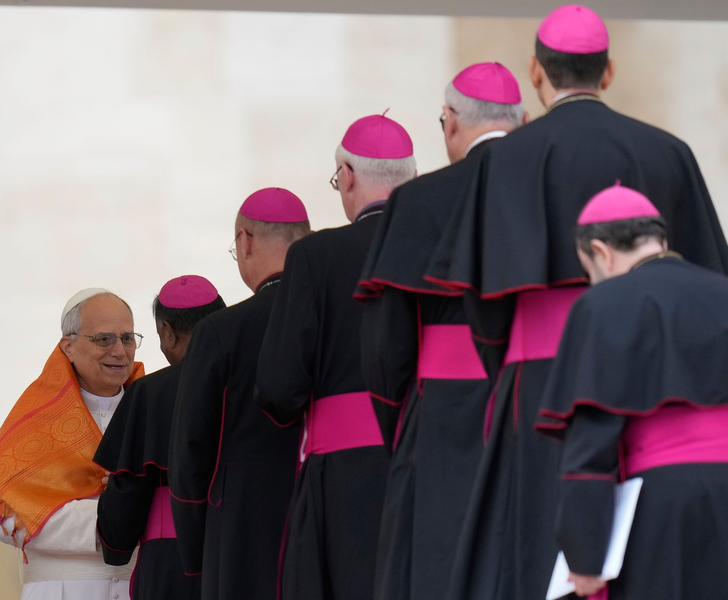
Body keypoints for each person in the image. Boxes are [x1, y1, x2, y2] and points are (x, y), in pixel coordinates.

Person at [423, 6, 728, 600]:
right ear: (609, 71)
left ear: (536, 73)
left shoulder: (505, 159)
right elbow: (702, 283)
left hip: (539, 380)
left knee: (541, 537)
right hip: (652, 376)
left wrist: (507, 369)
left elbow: (482, 302)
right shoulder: (669, 150)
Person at [536, 184, 728, 599]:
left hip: (672, 504)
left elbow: (591, 442)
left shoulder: (603, 304)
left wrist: (585, 555)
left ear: (601, 252)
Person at [354, 63, 526, 600]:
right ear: (520, 120)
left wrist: (401, 423)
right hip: (539, 403)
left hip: (444, 416)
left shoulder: (418, 200)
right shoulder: (555, 189)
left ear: (450, 121)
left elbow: (387, 347)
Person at [255, 113, 415, 600]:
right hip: (433, 461)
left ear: (346, 176)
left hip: (345, 474)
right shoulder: (446, 243)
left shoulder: (316, 256)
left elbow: (280, 386)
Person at [168, 188, 309, 600]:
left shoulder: (221, 331)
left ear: (245, 241)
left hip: (242, 527)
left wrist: (197, 553)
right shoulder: (341, 311)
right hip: (333, 510)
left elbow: (190, 453)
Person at [0, 289, 145, 600]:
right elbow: (9, 515)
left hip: (142, 586)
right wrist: (111, 521)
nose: (120, 351)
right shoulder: (37, 420)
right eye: (104, 339)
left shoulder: (155, 411)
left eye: (127, 338)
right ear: (68, 346)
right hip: (61, 590)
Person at [93, 276, 225, 600]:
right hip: (246, 550)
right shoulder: (254, 381)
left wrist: (115, 544)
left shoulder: (149, 393)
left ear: (167, 332)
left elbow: (124, 505)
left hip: (171, 561)